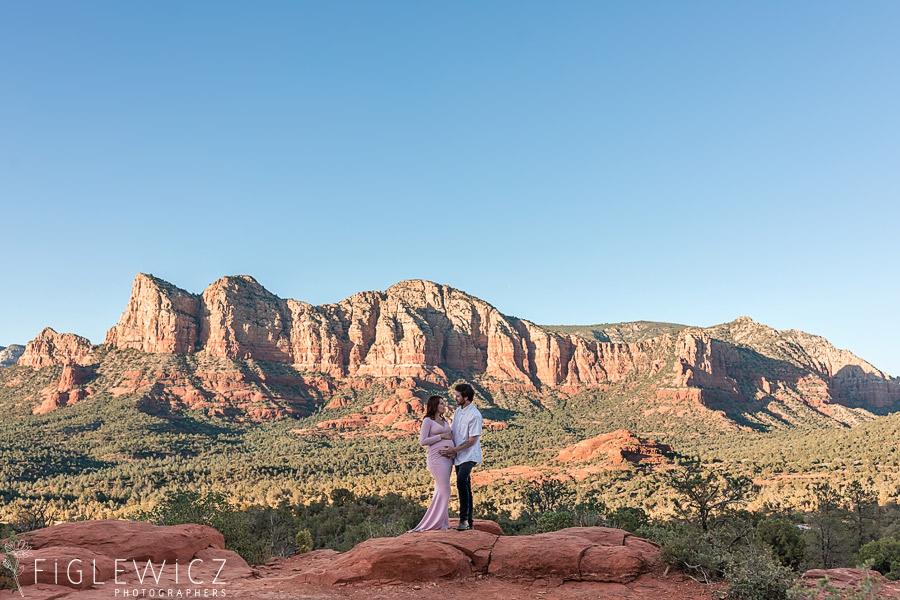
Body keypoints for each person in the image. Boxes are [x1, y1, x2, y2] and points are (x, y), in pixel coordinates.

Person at [440, 383, 483, 531]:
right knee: (465, 486)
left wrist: (454, 450)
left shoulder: (475, 415)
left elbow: (472, 440)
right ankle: (469, 521)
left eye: (458, 395)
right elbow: (454, 431)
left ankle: (463, 520)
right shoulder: (458, 411)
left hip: (469, 455)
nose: (455, 398)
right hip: (458, 455)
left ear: (466, 397)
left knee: (461, 481)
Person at [408, 395, 454, 532]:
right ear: (434, 405)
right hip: (436, 459)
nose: (444, 405)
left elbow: (451, 436)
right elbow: (423, 441)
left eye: (444, 403)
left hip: (447, 460)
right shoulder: (428, 421)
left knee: (440, 490)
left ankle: (443, 523)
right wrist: (441, 436)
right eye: (441, 403)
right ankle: (433, 523)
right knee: (446, 489)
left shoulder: (443, 420)